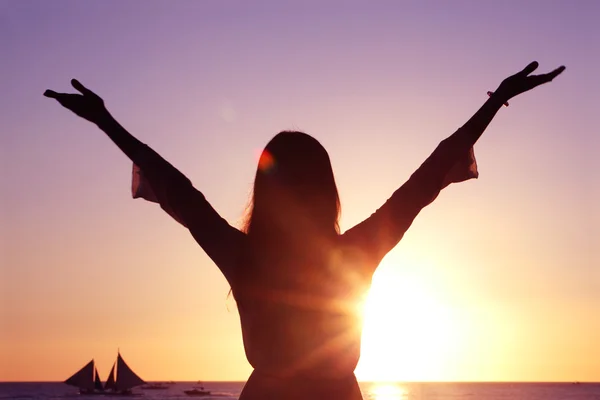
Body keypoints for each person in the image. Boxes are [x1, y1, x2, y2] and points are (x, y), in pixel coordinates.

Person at [44, 61, 564, 399]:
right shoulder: (355, 251)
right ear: (327, 191)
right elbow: (424, 180)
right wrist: (495, 101)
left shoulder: (245, 257)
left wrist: (106, 122)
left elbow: (178, 190)